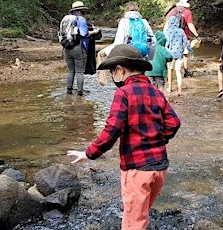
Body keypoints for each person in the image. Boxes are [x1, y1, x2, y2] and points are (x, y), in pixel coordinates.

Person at [67, 44, 181, 230]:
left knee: (133, 222)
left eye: (112, 72)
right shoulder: (156, 92)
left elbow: (112, 129)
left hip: (137, 168)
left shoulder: (123, 93)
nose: (113, 76)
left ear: (120, 70)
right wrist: (159, 140)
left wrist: (89, 153)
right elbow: (173, 123)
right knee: (141, 214)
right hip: (160, 167)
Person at [96, 1, 156, 85]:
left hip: (127, 55)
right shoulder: (144, 22)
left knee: (125, 80)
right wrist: (149, 57)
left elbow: (119, 42)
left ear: (126, 10)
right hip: (142, 55)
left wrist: (108, 52)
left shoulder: (124, 21)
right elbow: (153, 41)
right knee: (140, 79)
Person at [63, 1, 99, 96]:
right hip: (79, 48)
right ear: (80, 10)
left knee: (71, 70)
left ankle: (69, 90)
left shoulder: (66, 19)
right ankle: (80, 92)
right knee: (79, 71)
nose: (84, 11)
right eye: (83, 10)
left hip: (67, 47)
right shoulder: (81, 19)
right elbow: (84, 34)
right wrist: (95, 32)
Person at [165, 0, 200, 78]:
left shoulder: (172, 11)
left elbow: (167, 23)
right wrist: (197, 35)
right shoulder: (187, 12)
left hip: (172, 36)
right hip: (184, 35)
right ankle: (185, 71)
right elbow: (190, 25)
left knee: (172, 53)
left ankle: (170, 73)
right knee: (185, 54)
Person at [165, 16, 193, 96]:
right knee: (178, 71)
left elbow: (167, 43)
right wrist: (190, 50)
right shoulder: (181, 31)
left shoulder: (168, 31)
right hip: (179, 53)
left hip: (170, 54)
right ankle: (179, 90)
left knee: (170, 70)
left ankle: (170, 88)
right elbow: (186, 42)